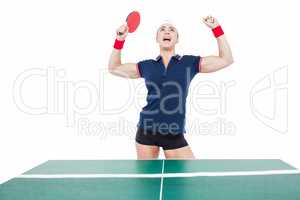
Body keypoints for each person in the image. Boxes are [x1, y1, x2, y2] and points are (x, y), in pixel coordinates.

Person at [108, 16, 233, 160]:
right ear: (157, 38)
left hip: (174, 133)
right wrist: (120, 39)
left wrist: (216, 28)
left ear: (177, 39)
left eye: (171, 30)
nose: (167, 32)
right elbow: (114, 68)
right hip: (146, 130)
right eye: (162, 30)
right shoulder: (147, 65)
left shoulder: (189, 62)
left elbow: (226, 59)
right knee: (146, 181)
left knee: (188, 179)